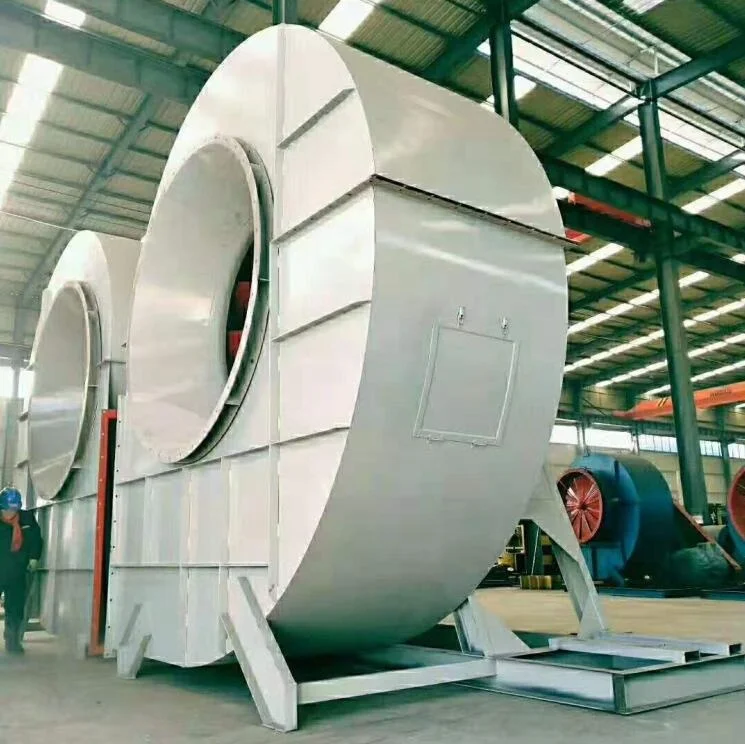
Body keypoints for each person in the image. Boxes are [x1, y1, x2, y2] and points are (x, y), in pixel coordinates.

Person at [0, 487, 42, 654]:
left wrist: (34, 557)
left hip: (17, 569)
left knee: (16, 606)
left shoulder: (27, 518)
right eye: (7, 510)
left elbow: (36, 539)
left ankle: (12, 640)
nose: (10, 513)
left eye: (14, 509)